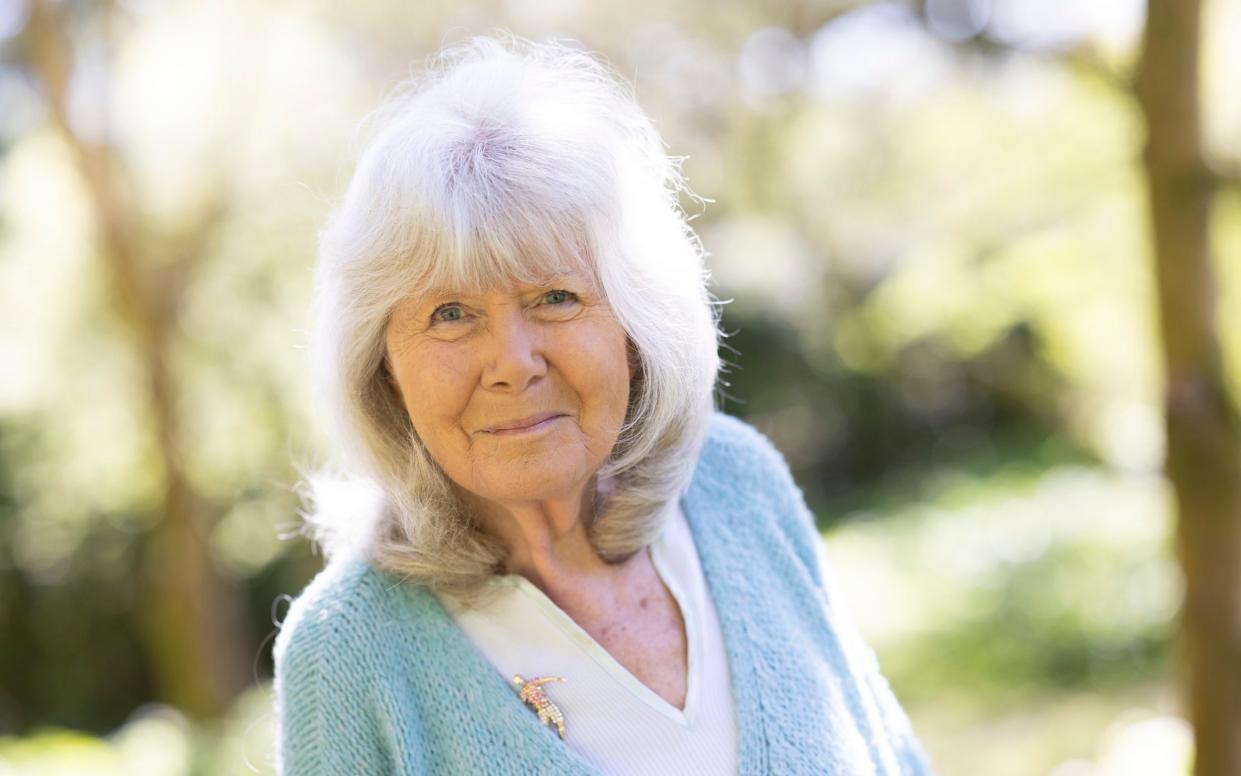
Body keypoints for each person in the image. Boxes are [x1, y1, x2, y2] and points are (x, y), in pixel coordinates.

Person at [273, 34, 936, 776]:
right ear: (383, 367)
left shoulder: (736, 485)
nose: (513, 365)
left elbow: (893, 758)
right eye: (451, 314)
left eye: (555, 297)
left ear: (634, 322)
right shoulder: (347, 650)